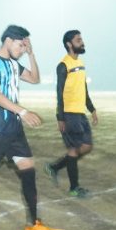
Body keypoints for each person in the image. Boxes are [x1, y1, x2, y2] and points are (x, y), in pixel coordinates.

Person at [0, 25, 63, 230]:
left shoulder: (14, 64)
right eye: (20, 45)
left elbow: (35, 79)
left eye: (25, 46)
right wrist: (23, 111)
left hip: (14, 130)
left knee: (28, 172)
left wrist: (31, 54)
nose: (22, 49)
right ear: (8, 41)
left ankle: (34, 223)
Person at [45, 30, 98, 198]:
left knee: (87, 146)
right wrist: (60, 117)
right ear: (69, 44)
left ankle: (54, 167)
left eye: (81, 39)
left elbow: (84, 88)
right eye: (78, 40)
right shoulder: (63, 65)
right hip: (68, 114)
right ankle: (74, 188)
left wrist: (92, 109)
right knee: (74, 150)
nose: (82, 42)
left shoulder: (80, 63)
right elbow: (59, 92)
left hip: (80, 113)